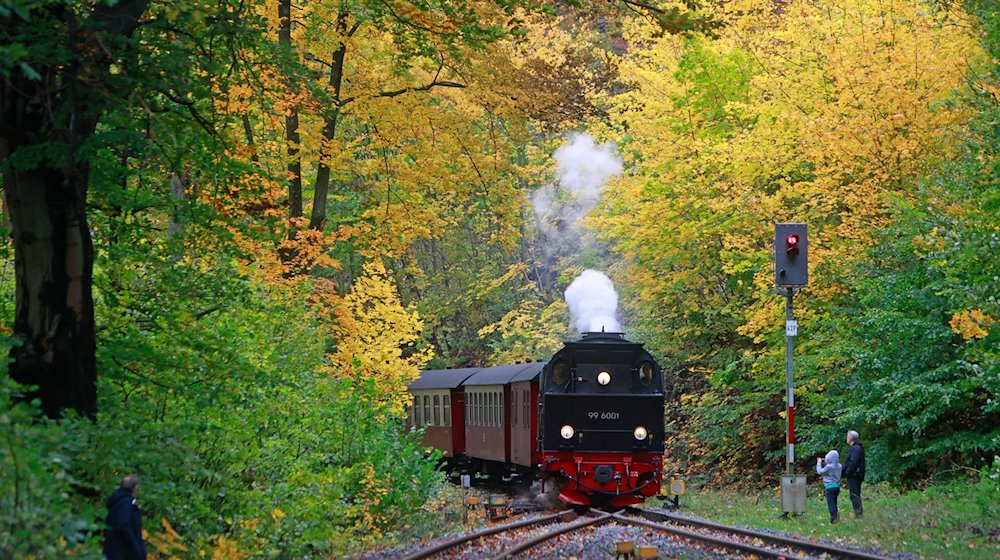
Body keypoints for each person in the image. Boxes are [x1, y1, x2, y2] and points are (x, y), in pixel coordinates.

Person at [104, 474, 147, 560]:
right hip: (124, 553)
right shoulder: (127, 503)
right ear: (134, 488)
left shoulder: (116, 502)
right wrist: (136, 546)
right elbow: (123, 524)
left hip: (113, 550)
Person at [842, 430, 866, 519]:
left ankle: (859, 514)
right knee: (854, 494)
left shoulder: (856, 449)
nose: (846, 438)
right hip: (855, 474)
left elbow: (853, 462)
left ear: (851, 438)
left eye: (847, 436)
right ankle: (858, 514)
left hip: (855, 475)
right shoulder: (856, 448)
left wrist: (847, 472)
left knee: (854, 495)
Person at [816, 449, 842, 523]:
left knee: (831, 504)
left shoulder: (829, 467)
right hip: (836, 486)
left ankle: (833, 520)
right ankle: (837, 517)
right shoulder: (839, 466)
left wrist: (819, 463)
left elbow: (819, 471)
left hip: (829, 487)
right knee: (834, 503)